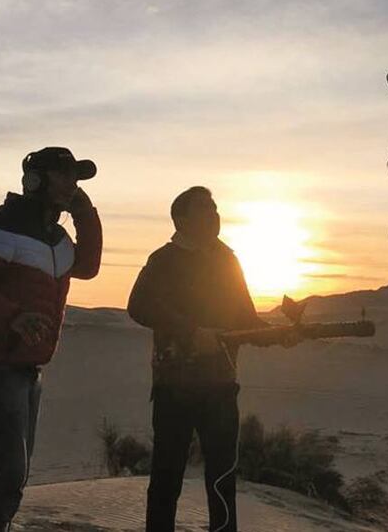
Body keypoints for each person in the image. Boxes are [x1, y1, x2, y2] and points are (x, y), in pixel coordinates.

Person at [126, 186, 298, 532]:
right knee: (166, 477)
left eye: (215, 208)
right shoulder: (163, 260)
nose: (214, 215)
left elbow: (245, 320)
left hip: (220, 386)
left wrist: (279, 335)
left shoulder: (228, 260)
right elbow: (138, 306)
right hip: (174, 387)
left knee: (222, 479)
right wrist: (190, 332)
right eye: (204, 208)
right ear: (181, 218)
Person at [0, 147, 103, 532]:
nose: (73, 184)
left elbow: (88, 266)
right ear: (35, 179)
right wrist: (13, 316)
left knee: (12, 476)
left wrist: (86, 213)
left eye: (76, 178)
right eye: (64, 175)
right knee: (7, 473)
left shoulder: (56, 239)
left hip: (27, 370)